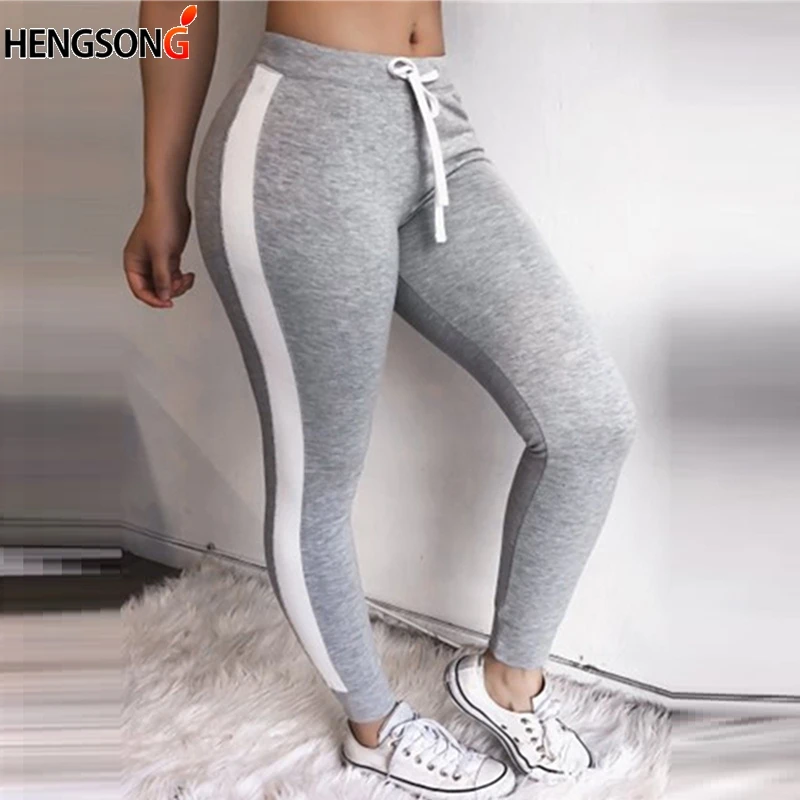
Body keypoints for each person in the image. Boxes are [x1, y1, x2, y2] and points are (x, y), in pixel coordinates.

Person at [124, 2, 638, 797]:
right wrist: (162, 188)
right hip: (296, 136)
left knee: (590, 421)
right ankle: (374, 726)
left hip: (431, 125)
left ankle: (507, 680)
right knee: (319, 479)